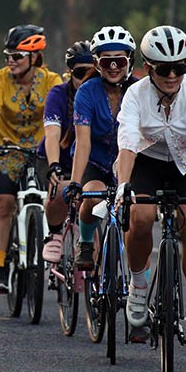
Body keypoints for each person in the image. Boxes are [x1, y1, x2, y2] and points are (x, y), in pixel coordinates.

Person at [116, 25, 186, 339]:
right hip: (146, 160)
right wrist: (123, 185)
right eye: (164, 69)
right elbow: (129, 142)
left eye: (179, 68)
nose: (172, 76)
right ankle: (138, 286)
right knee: (141, 217)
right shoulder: (136, 93)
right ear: (147, 69)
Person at [0, 24, 62, 293]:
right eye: (8, 56)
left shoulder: (52, 81)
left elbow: (60, 113)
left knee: (53, 199)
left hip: (41, 152)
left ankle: (53, 256)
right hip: (7, 150)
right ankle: (0, 268)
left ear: (34, 57)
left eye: (17, 56)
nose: (10, 62)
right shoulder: (0, 79)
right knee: (3, 203)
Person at [63, 26, 137, 271]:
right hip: (94, 161)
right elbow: (82, 142)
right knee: (93, 196)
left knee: (138, 212)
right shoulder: (86, 92)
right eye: (107, 61)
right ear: (97, 63)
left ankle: (137, 281)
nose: (113, 67)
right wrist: (75, 182)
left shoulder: (139, 91)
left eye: (119, 60)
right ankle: (85, 243)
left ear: (129, 61)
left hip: (129, 163)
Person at [36, 40, 94, 263]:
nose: (86, 79)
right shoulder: (58, 94)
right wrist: (54, 165)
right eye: (80, 73)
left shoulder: (101, 92)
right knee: (60, 189)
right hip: (56, 156)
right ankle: (55, 233)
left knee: (92, 206)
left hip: (88, 159)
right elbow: (52, 134)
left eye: (92, 73)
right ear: (69, 73)